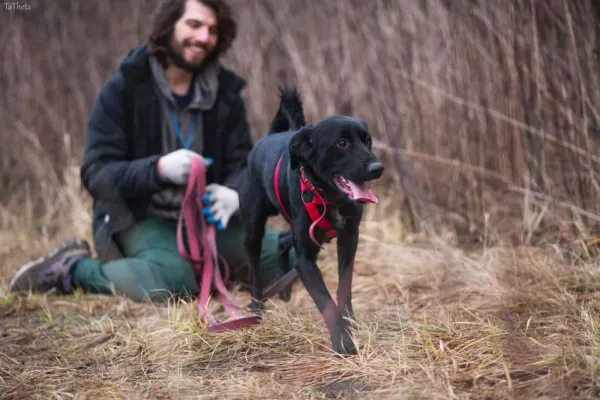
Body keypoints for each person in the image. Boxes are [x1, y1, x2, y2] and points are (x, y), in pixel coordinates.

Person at [9, 0, 293, 303]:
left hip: (207, 220)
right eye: (194, 25)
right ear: (169, 25)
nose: (203, 37)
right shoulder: (123, 89)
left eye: (212, 30)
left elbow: (242, 163)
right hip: (138, 219)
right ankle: (72, 269)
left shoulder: (226, 94)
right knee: (172, 282)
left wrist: (236, 194)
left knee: (285, 257)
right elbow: (96, 174)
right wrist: (157, 170)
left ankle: (212, 267)